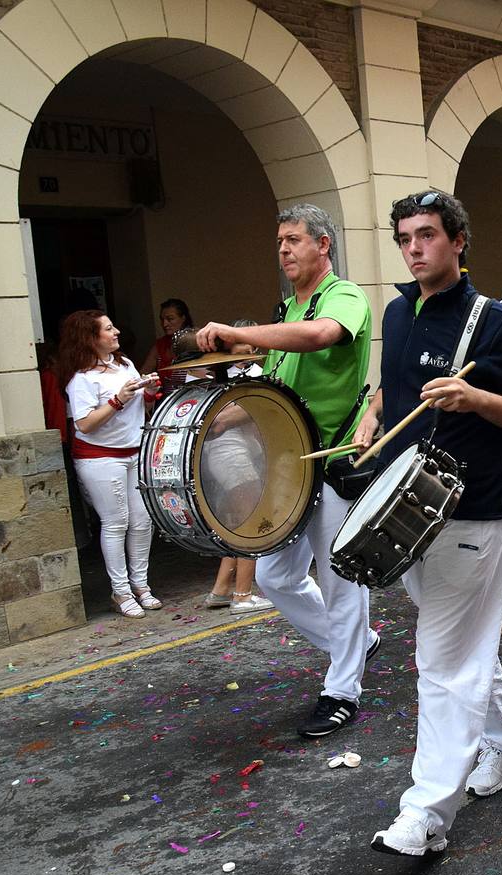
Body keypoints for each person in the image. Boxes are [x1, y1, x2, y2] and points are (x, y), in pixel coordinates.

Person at [353, 190, 502, 858]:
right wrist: (370, 424)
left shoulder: (493, 322)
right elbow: (394, 391)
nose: (414, 247)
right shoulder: (397, 313)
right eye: (404, 236)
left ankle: (426, 814)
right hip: (404, 508)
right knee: (462, 646)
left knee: (441, 659)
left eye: (427, 234)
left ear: (458, 240)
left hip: (471, 508)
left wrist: (475, 397)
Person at [195, 204, 374, 739]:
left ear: (323, 245)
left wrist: (240, 333)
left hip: (331, 460)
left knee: (342, 583)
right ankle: (354, 644)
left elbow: (320, 336)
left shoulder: (342, 296)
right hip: (287, 467)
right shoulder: (286, 307)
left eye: (293, 240)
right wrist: (220, 421)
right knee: (274, 576)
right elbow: (277, 393)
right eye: (279, 242)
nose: (283, 250)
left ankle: (343, 690)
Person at [56, 310, 161, 618]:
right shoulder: (82, 379)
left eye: (114, 326)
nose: (116, 332)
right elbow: (85, 425)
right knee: (116, 523)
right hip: (100, 458)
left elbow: (140, 408)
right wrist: (118, 399)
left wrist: (149, 395)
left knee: (143, 521)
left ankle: (141, 585)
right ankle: (121, 591)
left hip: (134, 451)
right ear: (90, 339)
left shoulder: (126, 365)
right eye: (108, 329)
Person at [199, 319, 273, 615]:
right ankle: (242, 595)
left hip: (244, 453)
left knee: (240, 524)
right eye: (238, 343)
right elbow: (223, 421)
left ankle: (220, 591)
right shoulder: (216, 378)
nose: (246, 349)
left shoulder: (261, 374)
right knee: (252, 522)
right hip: (229, 454)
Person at [141, 298, 194, 394]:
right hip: (167, 400)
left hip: (192, 396)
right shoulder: (160, 345)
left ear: (183, 318)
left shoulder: (195, 341)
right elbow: (143, 373)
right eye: (162, 319)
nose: (165, 324)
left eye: (170, 319)